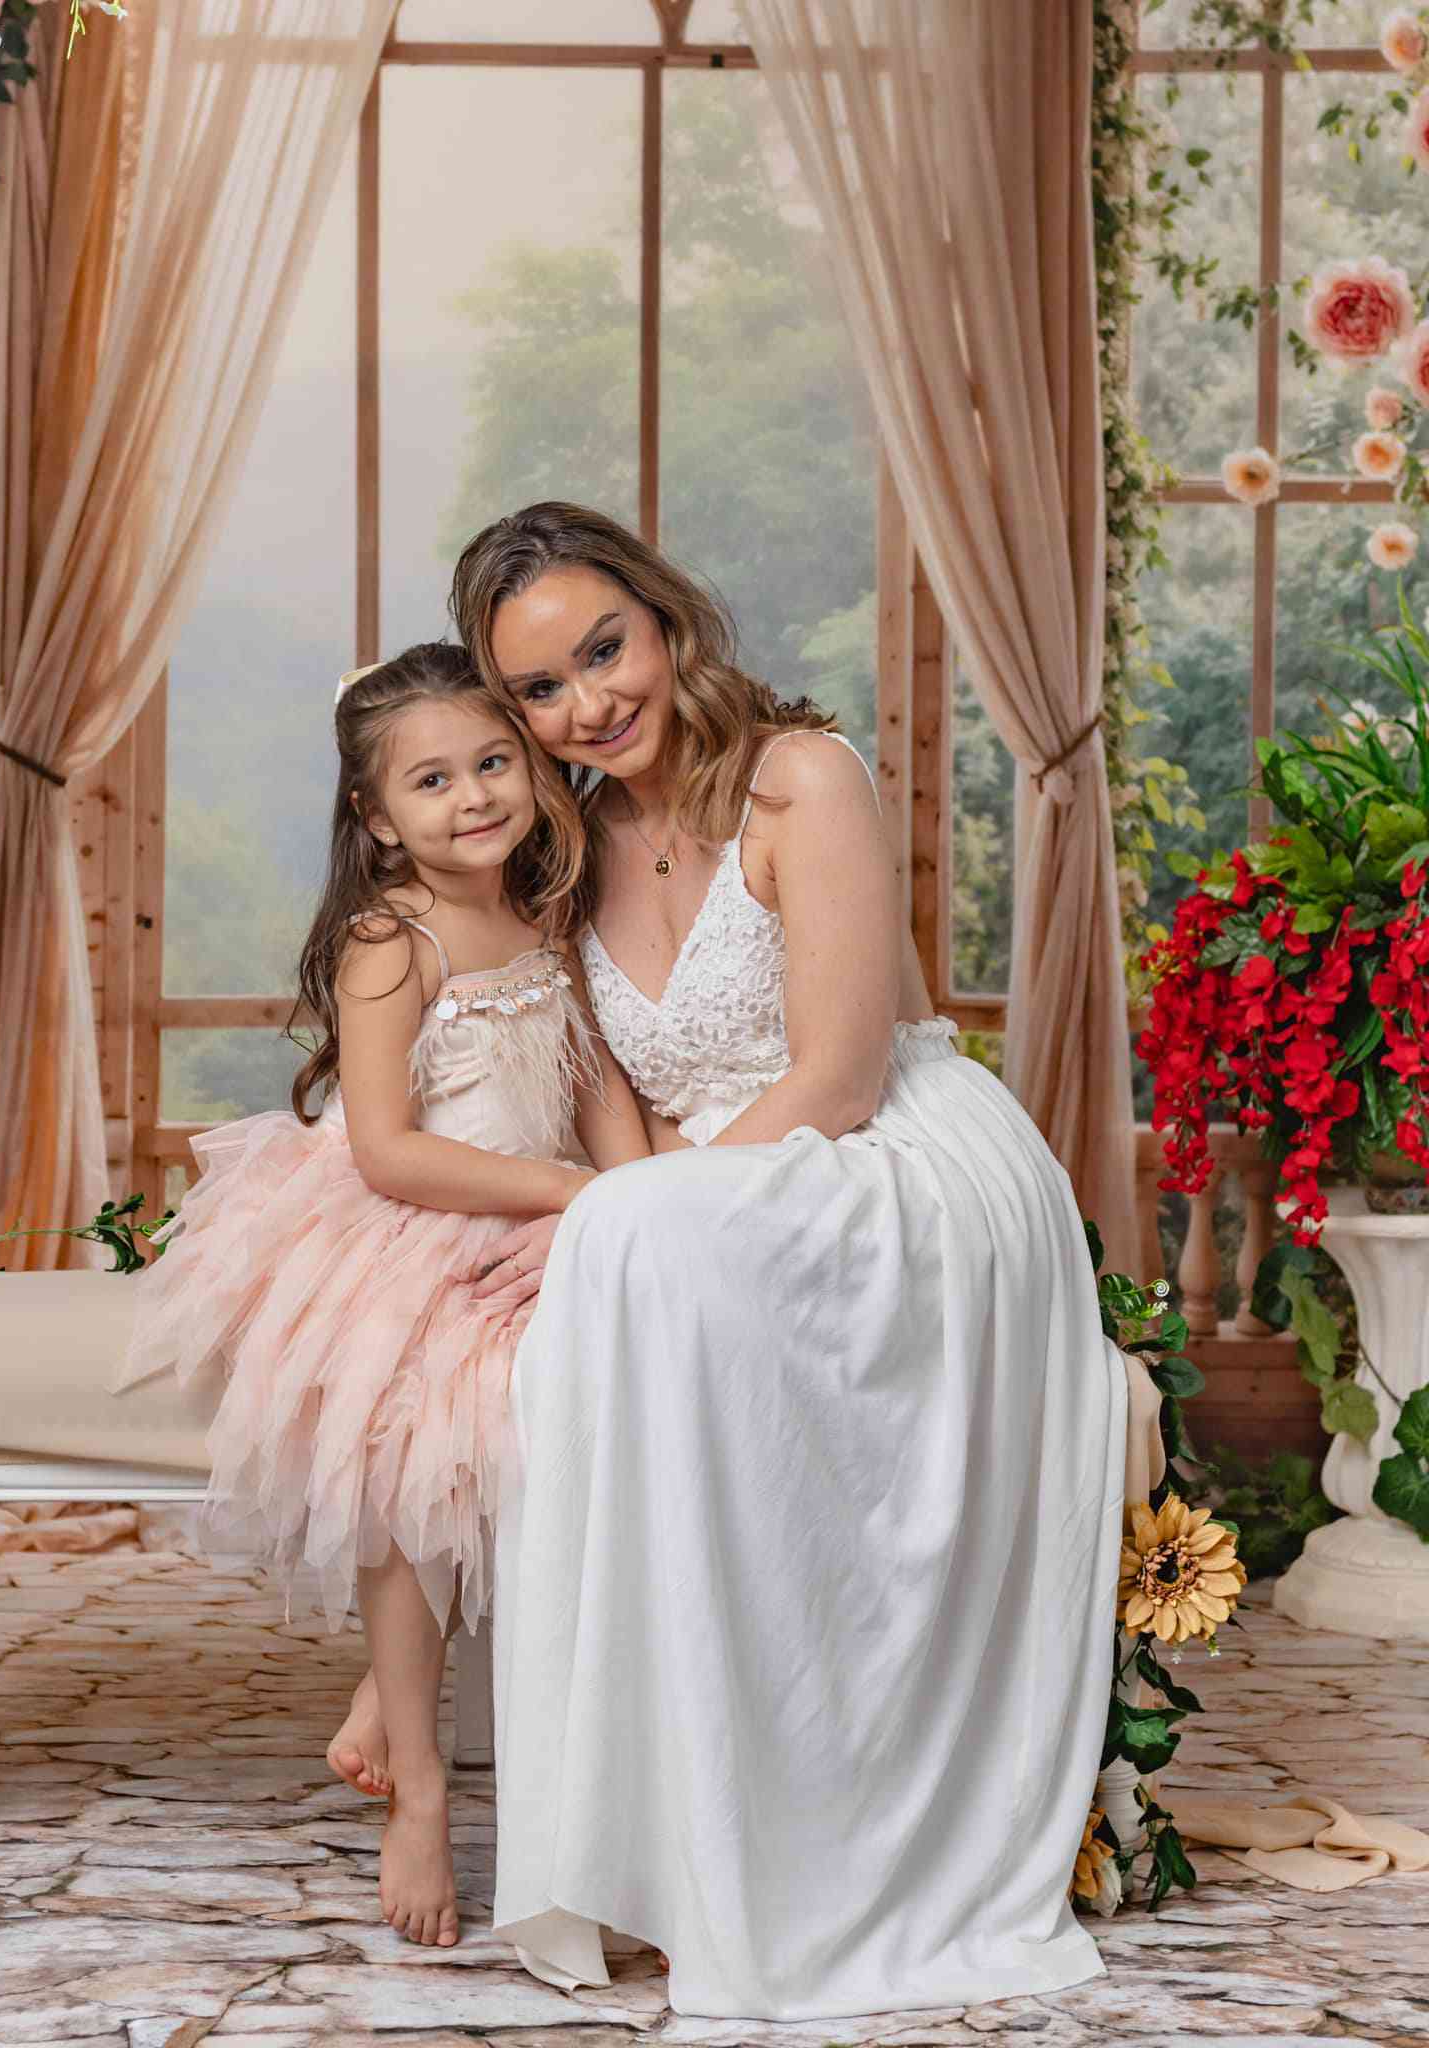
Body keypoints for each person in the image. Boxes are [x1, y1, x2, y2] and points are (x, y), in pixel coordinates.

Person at [445, 503, 1130, 2021]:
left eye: (602, 649)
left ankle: (799, 1856)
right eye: (542, 691)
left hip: (890, 1154)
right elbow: (614, 1117)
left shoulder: (799, 778)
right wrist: (639, 1223)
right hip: (700, 1192)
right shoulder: (566, 844)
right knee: (603, 1287)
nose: (589, 704)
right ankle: (664, 1838)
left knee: (624, 1248)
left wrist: (647, 1218)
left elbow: (836, 1074)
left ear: (666, 614)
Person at [117, 641, 647, 1951]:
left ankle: (380, 1691)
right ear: (374, 816)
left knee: (612, 1394)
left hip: (546, 1207)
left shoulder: (546, 910)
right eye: (431, 780)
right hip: (411, 1220)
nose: (472, 796)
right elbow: (387, 1146)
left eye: (492, 762)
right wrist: (568, 1198)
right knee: (423, 1445)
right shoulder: (386, 939)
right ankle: (418, 1785)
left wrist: (639, 1206)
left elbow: (595, 1087)